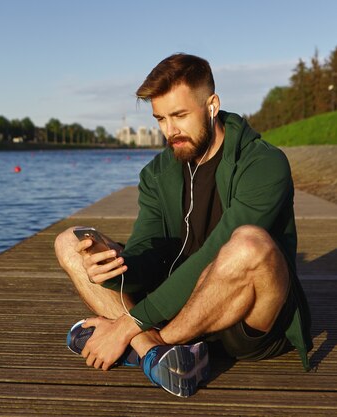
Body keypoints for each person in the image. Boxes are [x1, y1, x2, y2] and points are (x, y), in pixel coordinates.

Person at [55, 53, 313, 398]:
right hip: (176, 307)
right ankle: (158, 356)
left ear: (212, 105)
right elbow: (150, 247)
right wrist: (116, 266)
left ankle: (149, 346)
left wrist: (125, 327)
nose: (169, 131)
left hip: (244, 320)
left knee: (248, 244)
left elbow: (214, 254)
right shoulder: (157, 173)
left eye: (179, 115)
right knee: (68, 241)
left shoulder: (264, 164)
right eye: (160, 118)